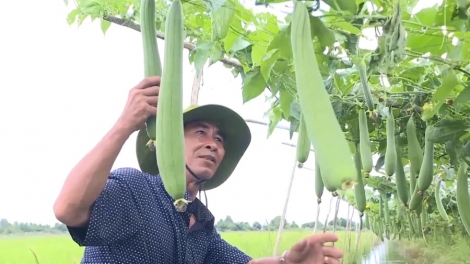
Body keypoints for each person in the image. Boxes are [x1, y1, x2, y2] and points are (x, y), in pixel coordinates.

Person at [53, 76, 344, 264]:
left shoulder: (201, 223)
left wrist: (285, 262)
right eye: (200, 133)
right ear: (168, 143)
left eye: (219, 139)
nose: (213, 145)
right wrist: (124, 125)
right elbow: (68, 208)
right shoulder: (135, 189)